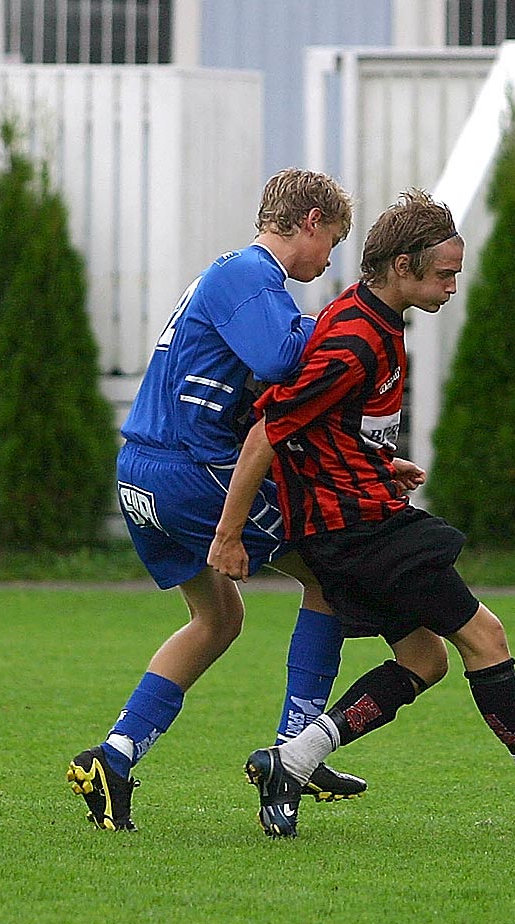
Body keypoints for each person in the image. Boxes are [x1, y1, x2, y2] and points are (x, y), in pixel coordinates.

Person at [207, 189, 515, 840]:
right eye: (445, 273)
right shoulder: (354, 339)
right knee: (486, 639)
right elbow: (270, 429)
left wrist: (380, 464)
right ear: (403, 267)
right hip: (360, 531)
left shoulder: (371, 319)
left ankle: (288, 764)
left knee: (426, 660)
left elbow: (327, 427)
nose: (453, 286)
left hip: (359, 519)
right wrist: (229, 536)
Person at [67, 169, 378, 831]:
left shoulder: (235, 277)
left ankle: (113, 759)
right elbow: (281, 361)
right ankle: (296, 755)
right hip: (185, 469)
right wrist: (341, 322)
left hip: (144, 471)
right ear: (313, 220)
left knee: (218, 619)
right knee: (327, 577)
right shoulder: (248, 275)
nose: (329, 261)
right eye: (333, 243)